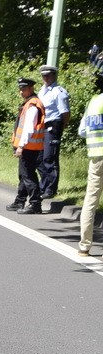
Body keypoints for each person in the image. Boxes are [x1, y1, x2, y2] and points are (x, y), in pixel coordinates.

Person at [6, 77, 46, 215]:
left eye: (23, 89)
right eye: (20, 89)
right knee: (24, 175)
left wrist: (21, 146)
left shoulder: (33, 105)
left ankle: (35, 203)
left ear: (31, 88)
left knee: (28, 176)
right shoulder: (30, 103)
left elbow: (29, 128)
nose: (21, 92)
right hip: (30, 147)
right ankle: (20, 200)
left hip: (29, 147)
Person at [76, 74, 103, 256]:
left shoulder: (93, 102)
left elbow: (82, 131)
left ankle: (84, 246)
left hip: (96, 157)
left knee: (90, 200)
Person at [35, 65, 70, 199]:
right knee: (39, 159)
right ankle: (43, 186)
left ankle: (50, 189)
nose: (45, 78)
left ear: (54, 75)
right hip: (41, 126)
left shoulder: (58, 92)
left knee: (49, 158)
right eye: (43, 75)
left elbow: (65, 113)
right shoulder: (42, 91)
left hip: (53, 125)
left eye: (48, 75)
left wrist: (62, 126)